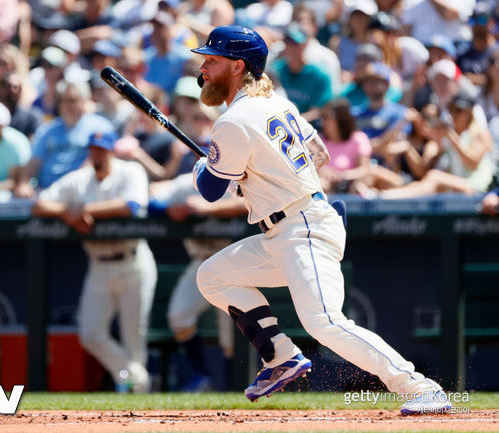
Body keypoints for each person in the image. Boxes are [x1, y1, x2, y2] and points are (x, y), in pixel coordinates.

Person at [189, 24, 451, 414]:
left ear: (238, 66)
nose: (205, 68)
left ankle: (419, 386)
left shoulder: (234, 120)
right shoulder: (278, 103)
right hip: (286, 227)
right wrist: (258, 174)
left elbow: (209, 190)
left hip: (301, 227)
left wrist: (203, 166)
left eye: (213, 60)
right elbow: (321, 154)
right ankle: (280, 357)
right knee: (212, 276)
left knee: (324, 322)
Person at [32, 132, 156, 393]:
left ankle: (137, 394)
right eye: (93, 149)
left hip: (132, 262)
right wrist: (66, 213)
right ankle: (134, 377)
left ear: (111, 151)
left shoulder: (130, 171)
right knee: (90, 333)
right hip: (98, 264)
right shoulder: (79, 180)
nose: (97, 154)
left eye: (102, 149)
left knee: (134, 339)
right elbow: (39, 204)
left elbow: (133, 205)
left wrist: (85, 211)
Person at [150, 171, 246, 391]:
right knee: (179, 316)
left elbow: (250, 204)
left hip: (232, 261)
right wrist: (169, 209)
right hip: (200, 260)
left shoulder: (233, 180)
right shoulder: (186, 182)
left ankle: (235, 388)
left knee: (232, 335)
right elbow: (152, 199)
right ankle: (202, 375)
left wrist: (208, 209)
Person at [15, 81, 113, 196]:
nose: (67, 105)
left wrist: (69, 185)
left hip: (84, 191)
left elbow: (99, 160)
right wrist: (23, 183)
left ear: (84, 100)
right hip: (46, 191)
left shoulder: (100, 127)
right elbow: (34, 162)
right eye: (62, 100)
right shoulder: (47, 130)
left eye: (72, 100)